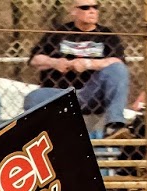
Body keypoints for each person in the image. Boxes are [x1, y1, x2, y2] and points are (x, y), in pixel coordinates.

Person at [24, 1, 131, 137]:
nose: (92, 11)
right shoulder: (58, 33)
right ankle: (39, 140)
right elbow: (34, 59)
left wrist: (87, 64)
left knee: (118, 69)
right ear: (73, 11)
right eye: (85, 7)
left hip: (91, 93)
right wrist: (55, 62)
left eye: (95, 7)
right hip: (60, 93)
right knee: (33, 97)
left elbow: (118, 62)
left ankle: (114, 126)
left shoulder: (106, 35)